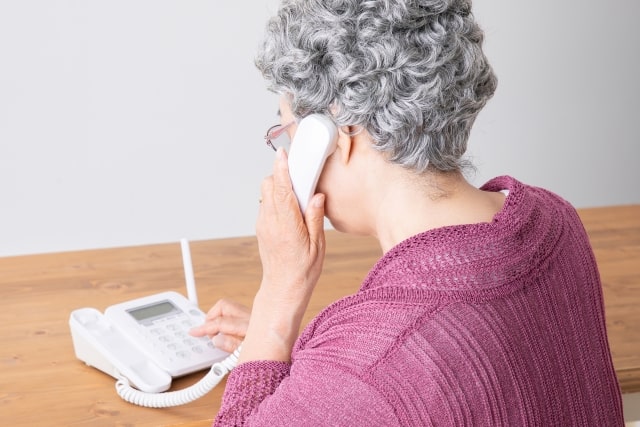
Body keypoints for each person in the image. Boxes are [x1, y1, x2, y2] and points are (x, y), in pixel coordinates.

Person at [189, 0, 624, 425]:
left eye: (287, 132)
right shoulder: (555, 221)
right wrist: (313, 361)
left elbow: (393, 368)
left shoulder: (370, 367)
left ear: (335, 137)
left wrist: (276, 304)